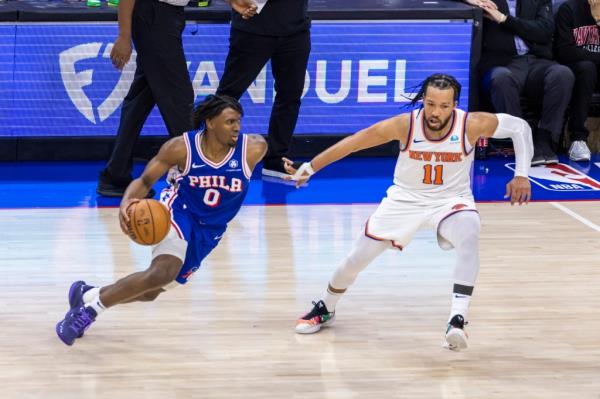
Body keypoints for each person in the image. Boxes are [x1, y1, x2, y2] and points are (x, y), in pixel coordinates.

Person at [286, 74, 533, 351]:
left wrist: (522, 174)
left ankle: (457, 319)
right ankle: (326, 307)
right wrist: (310, 167)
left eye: (443, 106)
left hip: (450, 201)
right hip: (404, 200)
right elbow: (355, 142)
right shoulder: (406, 125)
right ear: (423, 101)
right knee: (356, 259)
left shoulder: (470, 124)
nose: (435, 112)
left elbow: (520, 128)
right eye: (430, 104)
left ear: (455, 104)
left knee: (469, 230)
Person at [57, 95, 267, 345]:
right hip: (179, 211)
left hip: (211, 229)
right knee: (162, 272)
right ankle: (85, 314)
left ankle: (87, 293)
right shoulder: (181, 148)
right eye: (229, 122)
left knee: (151, 293)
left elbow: (279, 164)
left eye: (238, 122)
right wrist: (126, 202)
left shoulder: (253, 148)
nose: (236, 128)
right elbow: (145, 181)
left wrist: (290, 169)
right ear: (210, 123)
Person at [96, 0, 253, 197]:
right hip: (155, 16)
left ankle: (115, 174)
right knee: (180, 99)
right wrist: (123, 35)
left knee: (140, 100)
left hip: (167, 16)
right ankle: (198, 176)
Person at [467, 0, 574, 165]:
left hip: (536, 61)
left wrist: (504, 19)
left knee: (562, 74)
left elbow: (544, 31)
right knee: (501, 78)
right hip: (501, 63)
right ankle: (521, 139)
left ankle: (545, 140)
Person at [217, 0, 311, 178]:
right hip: (252, 28)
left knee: (290, 96)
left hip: (296, 29)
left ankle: (276, 160)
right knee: (227, 96)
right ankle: (208, 157)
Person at [554, 0, 599, 161]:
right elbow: (564, 51)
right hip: (578, 69)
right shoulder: (569, 9)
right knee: (587, 69)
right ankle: (578, 138)